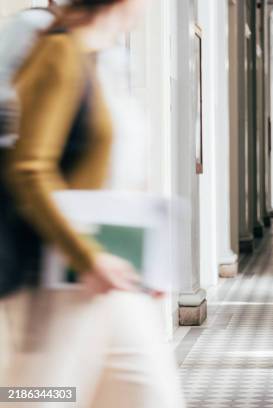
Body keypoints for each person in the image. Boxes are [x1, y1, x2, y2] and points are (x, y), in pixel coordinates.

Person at [1, 1, 185, 406]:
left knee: (151, 395)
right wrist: (87, 257)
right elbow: (30, 169)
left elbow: (118, 181)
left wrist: (146, 261)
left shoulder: (108, 60)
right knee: (39, 395)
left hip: (113, 274)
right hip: (60, 275)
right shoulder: (59, 52)